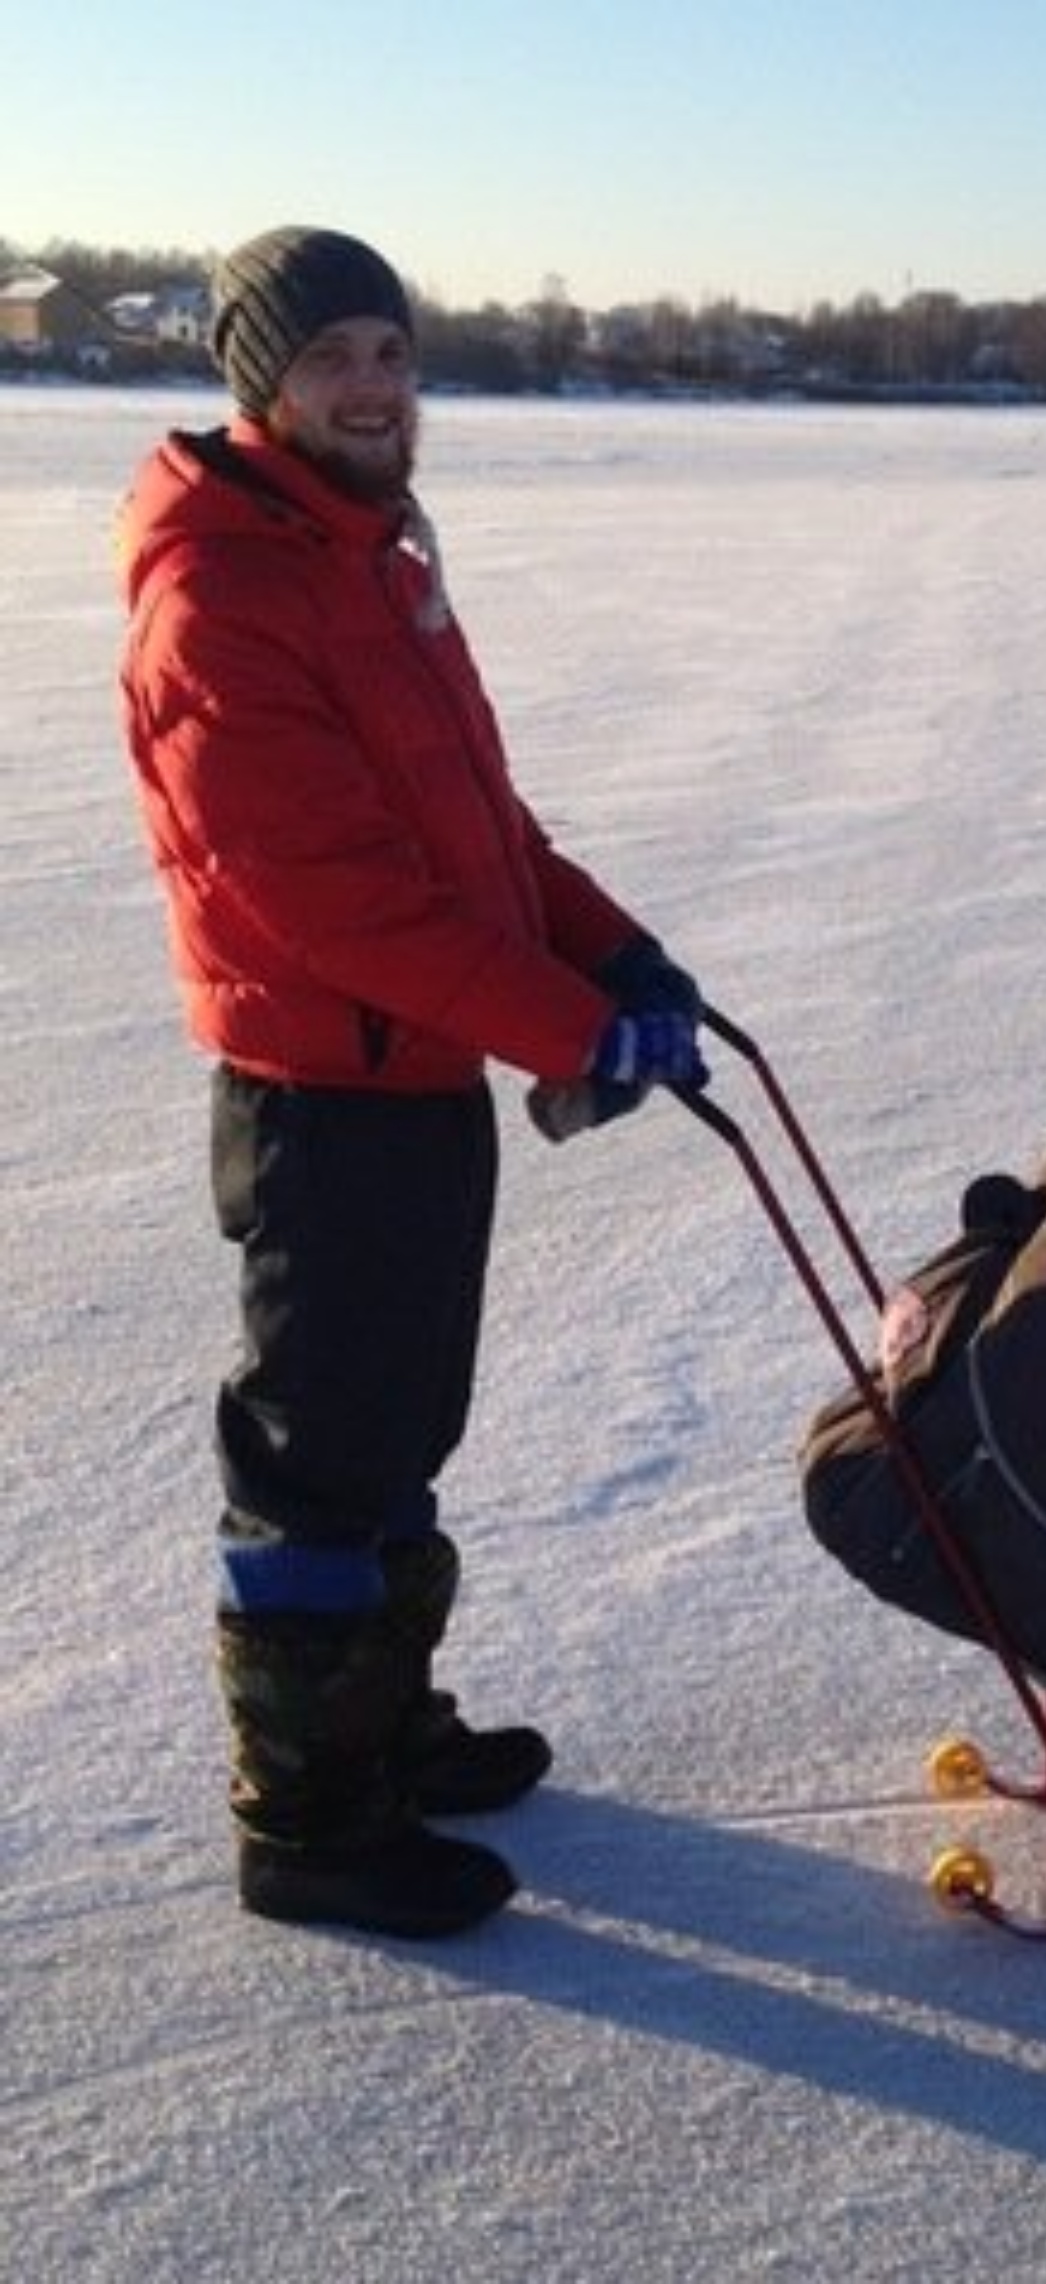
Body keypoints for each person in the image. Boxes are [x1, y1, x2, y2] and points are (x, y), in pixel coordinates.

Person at [116, 225, 706, 1939]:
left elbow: (473, 835)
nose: (374, 389)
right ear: (259, 385)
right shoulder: (220, 592)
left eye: (389, 351)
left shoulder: (366, 551)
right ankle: (308, 1816)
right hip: (323, 1093)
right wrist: (565, 1029)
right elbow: (327, 894)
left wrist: (612, 955)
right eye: (331, 361)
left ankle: (380, 1725)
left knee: (396, 1425)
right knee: (320, 1452)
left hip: (420, 1072)